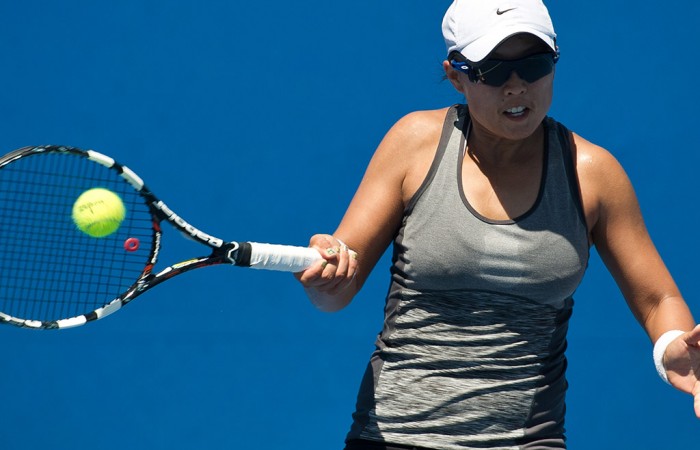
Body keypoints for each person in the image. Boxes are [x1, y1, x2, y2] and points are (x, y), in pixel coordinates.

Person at [296, 0, 700, 448]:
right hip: (391, 436)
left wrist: (672, 347)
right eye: (492, 69)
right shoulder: (413, 145)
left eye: (535, 65)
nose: (516, 86)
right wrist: (326, 281)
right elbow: (338, 286)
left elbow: (657, 298)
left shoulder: (594, 174)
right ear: (456, 76)